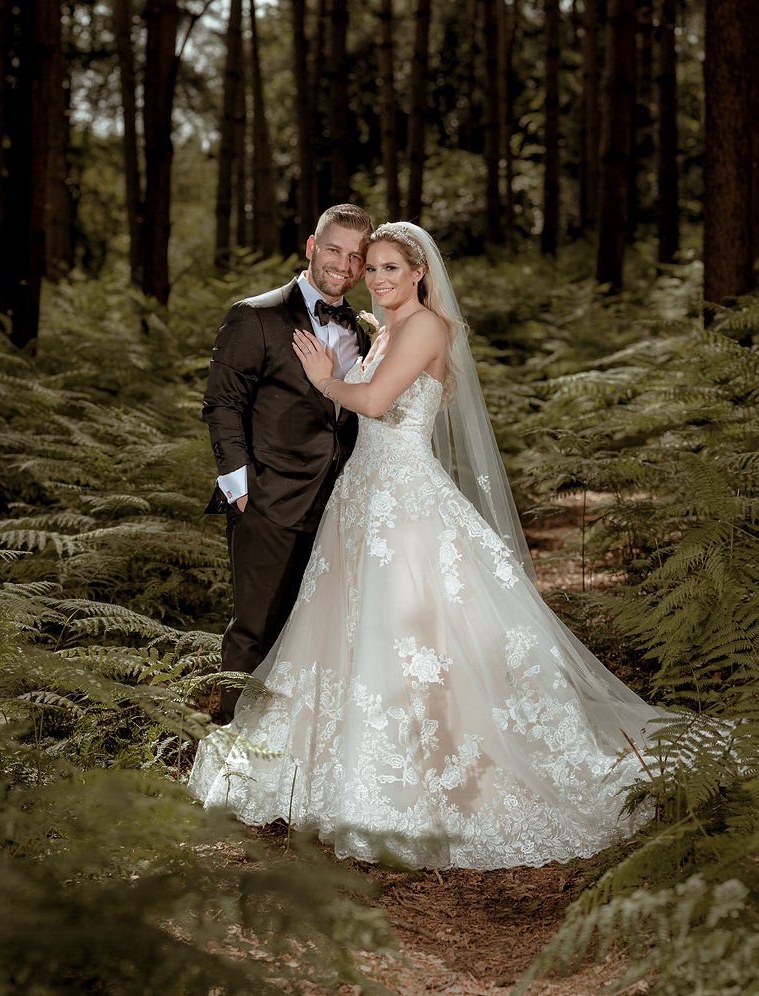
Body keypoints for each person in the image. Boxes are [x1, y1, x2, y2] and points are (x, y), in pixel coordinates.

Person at [189, 222, 665, 870]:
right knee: (343, 634)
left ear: (419, 273)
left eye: (389, 268)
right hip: (358, 499)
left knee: (410, 634)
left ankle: (424, 777)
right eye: (372, 269)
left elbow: (379, 400)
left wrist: (328, 380)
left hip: (404, 506)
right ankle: (317, 764)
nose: (378, 279)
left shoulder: (426, 329)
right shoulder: (381, 328)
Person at [202, 204, 374, 724]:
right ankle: (230, 756)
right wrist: (240, 489)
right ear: (310, 247)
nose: (343, 265)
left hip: (340, 506)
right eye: (334, 250)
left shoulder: (365, 333)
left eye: (356, 257)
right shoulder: (256, 316)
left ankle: (289, 759)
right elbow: (221, 404)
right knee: (256, 630)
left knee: (316, 638)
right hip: (268, 503)